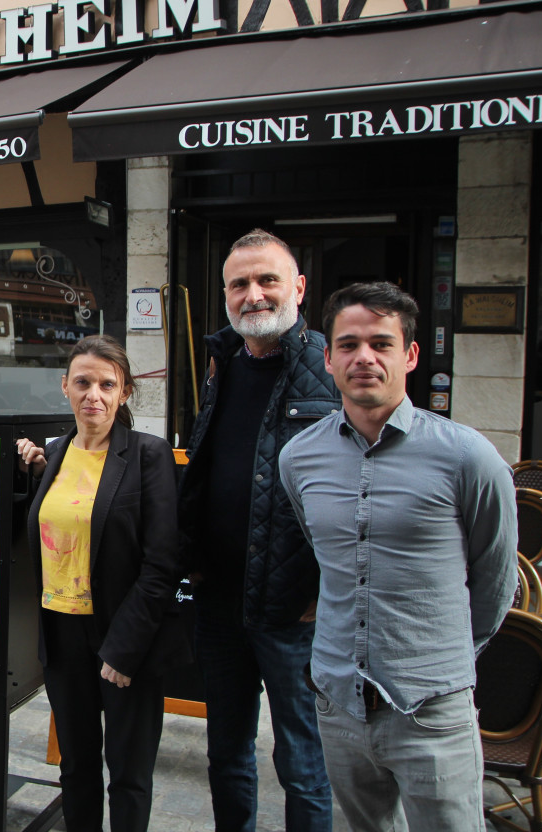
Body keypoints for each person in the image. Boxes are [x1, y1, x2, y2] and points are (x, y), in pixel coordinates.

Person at [279, 282, 517, 831]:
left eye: (382, 343)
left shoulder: (468, 457)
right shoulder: (300, 458)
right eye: (350, 344)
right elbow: (327, 555)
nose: (364, 357)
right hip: (339, 703)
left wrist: (441, 661)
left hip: (431, 709)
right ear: (328, 356)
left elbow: (495, 579)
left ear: (409, 355)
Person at [177, 229, 337, 832]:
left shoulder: (330, 367)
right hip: (219, 602)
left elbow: (359, 488)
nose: (254, 294)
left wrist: (326, 591)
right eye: (239, 283)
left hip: (295, 609)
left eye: (267, 279)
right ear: (224, 294)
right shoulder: (222, 366)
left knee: (302, 762)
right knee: (227, 754)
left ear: (297, 287)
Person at [15, 334, 186, 832]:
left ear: (125, 392)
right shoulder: (55, 454)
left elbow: (162, 562)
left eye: (107, 384)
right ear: (64, 386)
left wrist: (124, 649)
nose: (94, 394)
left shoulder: (149, 456)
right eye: (83, 382)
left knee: (129, 775)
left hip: (122, 638)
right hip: (62, 634)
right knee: (76, 768)